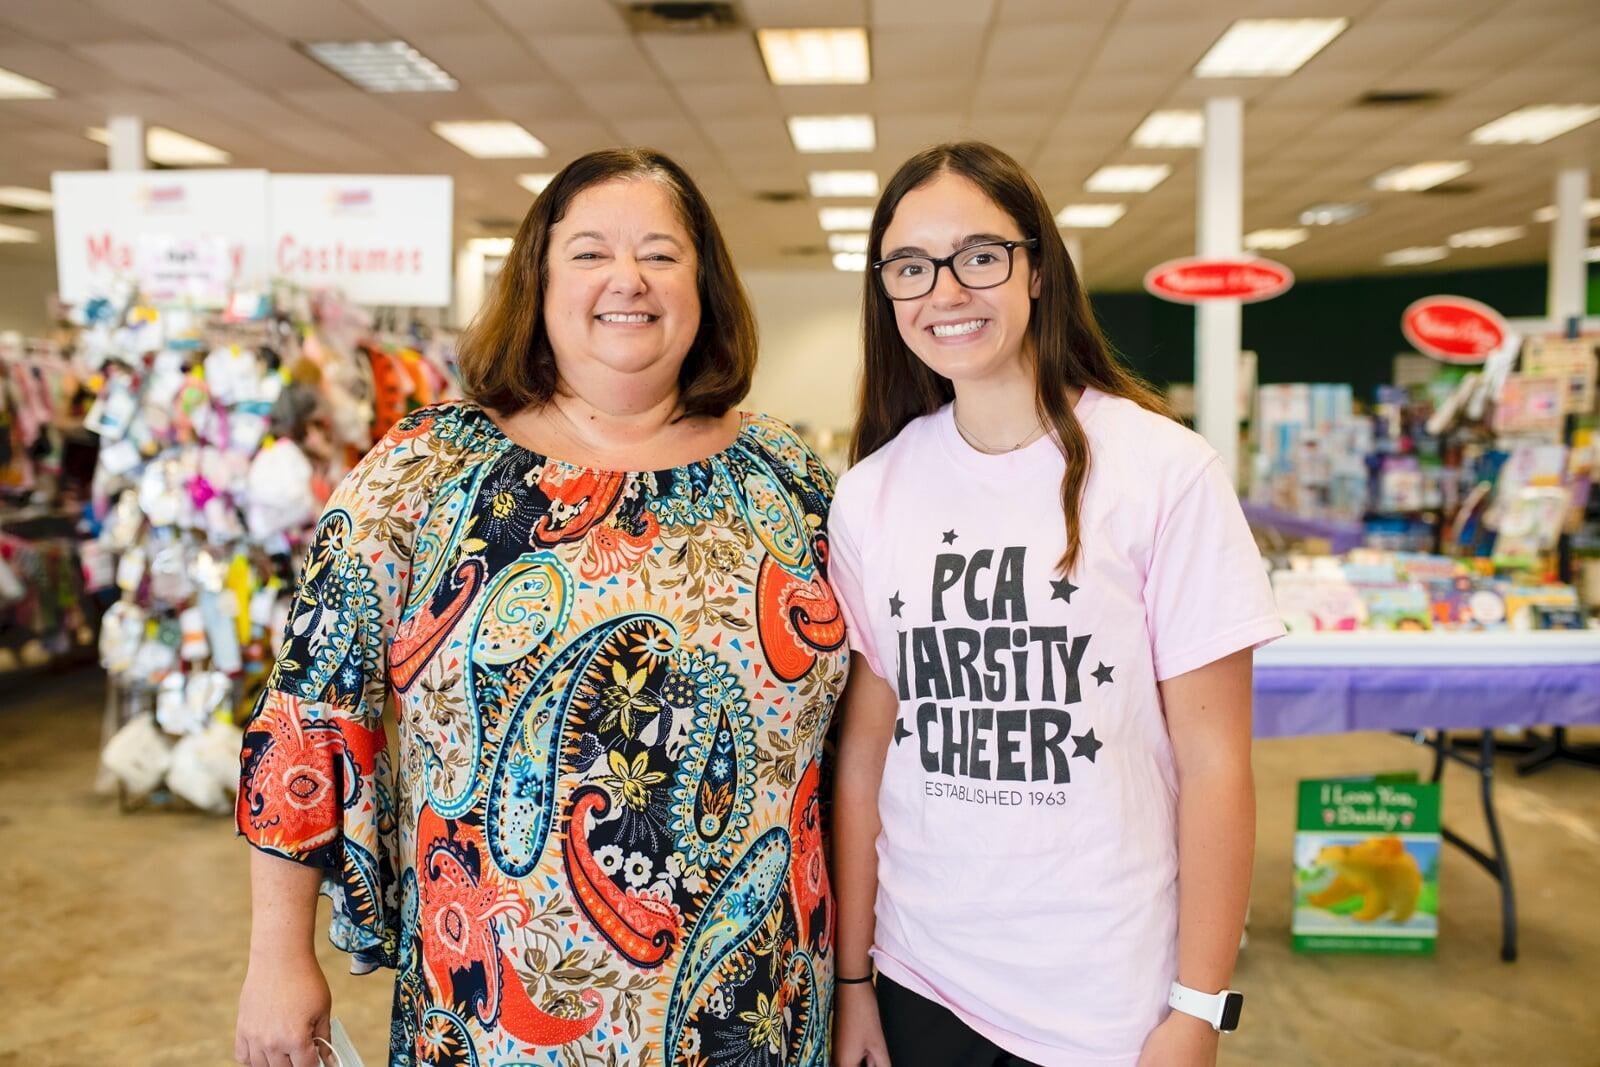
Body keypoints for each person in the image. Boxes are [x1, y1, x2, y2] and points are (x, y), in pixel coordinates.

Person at [234, 148, 846, 1067]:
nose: (627, 280)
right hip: (491, 1016)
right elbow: (307, 716)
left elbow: (858, 742)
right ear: (539, 280)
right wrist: (277, 956)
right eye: (591, 252)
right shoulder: (425, 469)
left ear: (706, 285)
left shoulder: (788, 479)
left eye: (661, 254)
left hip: (759, 1007)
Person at [828, 142, 1284, 1067]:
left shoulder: (1163, 471)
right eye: (911, 267)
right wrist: (855, 979)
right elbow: (867, 755)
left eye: (980, 256)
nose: (945, 290)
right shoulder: (871, 491)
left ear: (1037, 268)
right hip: (924, 978)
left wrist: (1200, 1006)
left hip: (1109, 997)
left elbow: (1215, 764)